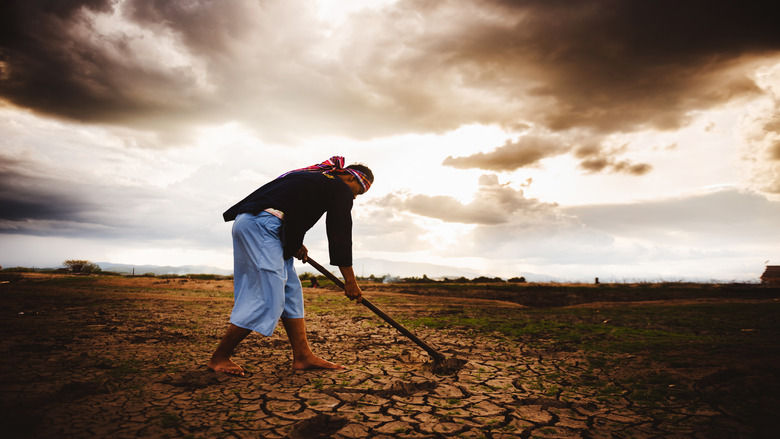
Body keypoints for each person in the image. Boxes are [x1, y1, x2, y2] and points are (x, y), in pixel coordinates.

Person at [208, 156, 373, 376]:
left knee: (290, 292)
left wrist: (294, 242)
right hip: (263, 226)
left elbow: (293, 210)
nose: (353, 196)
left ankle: (303, 356)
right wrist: (350, 282)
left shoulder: (315, 180)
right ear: (345, 175)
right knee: (268, 295)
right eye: (357, 191)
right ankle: (220, 357)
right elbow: (339, 234)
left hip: (265, 224)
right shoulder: (337, 187)